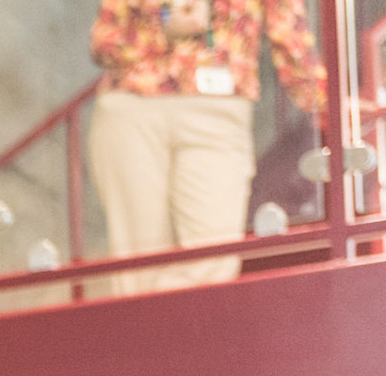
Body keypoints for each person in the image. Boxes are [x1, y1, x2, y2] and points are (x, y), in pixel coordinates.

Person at [88, 0, 326, 295]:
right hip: (134, 106)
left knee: (214, 260)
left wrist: (327, 100)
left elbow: (288, 31)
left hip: (219, 109)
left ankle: (156, 320)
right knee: (137, 264)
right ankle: (150, 321)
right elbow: (103, 42)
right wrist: (164, 16)